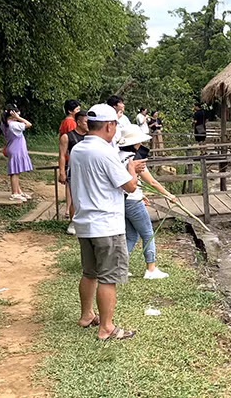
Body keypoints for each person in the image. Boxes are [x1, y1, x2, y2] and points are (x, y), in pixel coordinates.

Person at [70, 103, 145, 341]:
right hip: (106, 224)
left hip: (85, 222)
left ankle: (86, 315)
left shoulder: (78, 149)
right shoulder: (105, 152)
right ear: (110, 125)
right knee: (108, 277)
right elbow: (130, 186)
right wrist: (132, 168)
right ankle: (107, 327)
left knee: (89, 272)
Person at [117, 125, 175, 279]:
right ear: (135, 143)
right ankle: (151, 269)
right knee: (148, 233)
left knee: (131, 236)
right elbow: (152, 182)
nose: (141, 145)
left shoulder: (117, 156)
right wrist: (169, 195)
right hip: (133, 202)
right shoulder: (135, 160)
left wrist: (140, 194)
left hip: (122, 200)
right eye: (140, 142)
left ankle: (120, 267)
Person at [58, 111, 88, 235]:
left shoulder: (91, 136)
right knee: (75, 197)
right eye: (86, 122)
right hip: (74, 170)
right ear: (79, 122)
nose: (88, 125)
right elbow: (62, 155)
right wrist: (62, 172)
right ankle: (73, 222)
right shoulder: (67, 137)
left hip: (89, 170)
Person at [2, 104, 34, 201]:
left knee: (16, 171)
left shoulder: (5, 123)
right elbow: (29, 124)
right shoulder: (13, 124)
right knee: (15, 172)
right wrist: (18, 118)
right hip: (16, 148)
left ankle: (18, 191)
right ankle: (15, 193)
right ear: (12, 114)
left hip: (13, 147)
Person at [59, 99, 81, 222]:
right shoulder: (71, 123)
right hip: (70, 156)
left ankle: (68, 209)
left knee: (70, 184)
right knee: (71, 185)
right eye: (77, 110)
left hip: (69, 156)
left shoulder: (65, 121)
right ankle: (69, 209)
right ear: (70, 111)